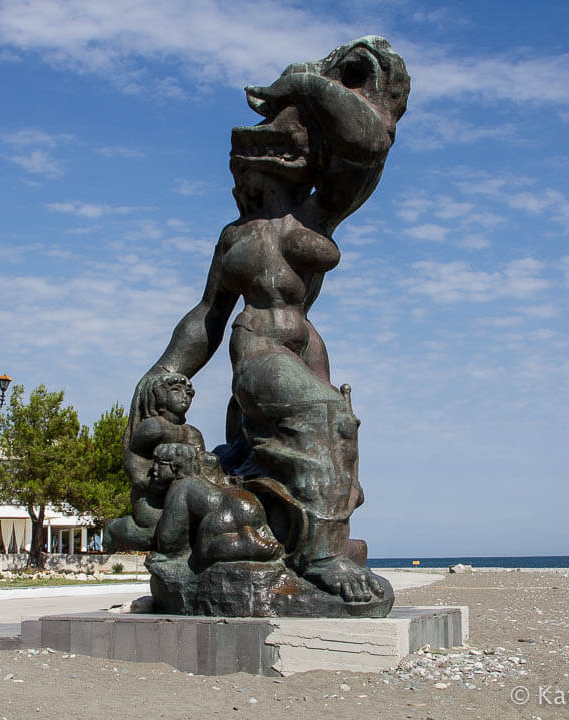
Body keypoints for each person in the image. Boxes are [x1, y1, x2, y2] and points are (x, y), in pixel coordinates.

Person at [127, 37, 409, 604]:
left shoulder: (314, 212)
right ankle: (323, 556)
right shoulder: (236, 237)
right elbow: (208, 313)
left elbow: (367, 147)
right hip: (258, 347)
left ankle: (302, 538)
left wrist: (306, 85)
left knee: (335, 440)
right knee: (329, 418)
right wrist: (164, 369)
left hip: (305, 345)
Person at [107, 372, 205, 551]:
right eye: (176, 391)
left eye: (188, 393)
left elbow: (201, 465)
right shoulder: (154, 426)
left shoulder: (193, 433)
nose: (184, 397)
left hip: (183, 496)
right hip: (151, 496)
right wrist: (148, 481)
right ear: (161, 398)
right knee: (155, 532)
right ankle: (114, 530)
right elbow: (134, 456)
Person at [149, 443, 282, 569]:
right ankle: (250, 533)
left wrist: (165, 554)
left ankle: (247, 542)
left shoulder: (180, 486)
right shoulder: (198, 482)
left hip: (225, 514)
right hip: (249, 504)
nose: (153, 469)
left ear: (175, 466)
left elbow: (170, 535)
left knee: (206, 549)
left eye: (160, 463)